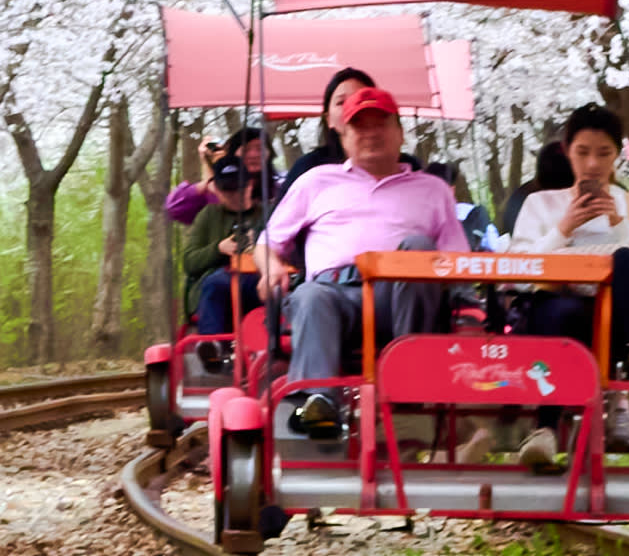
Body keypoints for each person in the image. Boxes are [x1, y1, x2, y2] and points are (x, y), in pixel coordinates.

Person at [254, 76, 475, 421]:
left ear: (400, 133)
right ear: (344, 137)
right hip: (334, 293)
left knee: (418, 248)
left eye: (381, 124)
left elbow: (458, 260)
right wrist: (271, 267)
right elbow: (268, 242)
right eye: (360, 126)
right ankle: (316, 405)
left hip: (402, 296)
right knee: (311, 296)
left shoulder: (432, 189)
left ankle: (409, 390)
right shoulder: (315, 181)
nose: (371, 133)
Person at [500, 100, 629, 379]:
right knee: (562, 313)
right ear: (567, 152)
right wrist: (564, 229)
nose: (593, 164)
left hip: (624, 316)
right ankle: (552, 413)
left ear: (617, 155)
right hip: (559, 314)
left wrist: (620, 225)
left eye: (604, 153)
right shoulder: (540, 204)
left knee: (625, 257)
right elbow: (520, 274)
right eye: (582, 152)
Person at [155, 128, 272, 344]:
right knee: (215, 283)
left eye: (237, 188)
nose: (233, 195)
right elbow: (189, 261)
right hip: (220, 283)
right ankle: (212, 349)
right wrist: (219, 249)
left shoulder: (268, 213)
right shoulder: (209, 214)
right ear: (216, 189)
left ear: (249, 185)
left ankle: (275, 348)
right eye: (226, 190)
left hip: (259, 278)